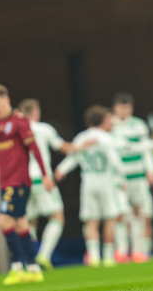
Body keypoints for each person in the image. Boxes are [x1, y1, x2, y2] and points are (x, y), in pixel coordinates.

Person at [0, 84, 51, 284]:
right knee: (20, 224)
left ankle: (17, 265)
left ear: (7, 100)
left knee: (3, 221)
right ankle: (33, 267)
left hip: (18, 181)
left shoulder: (19, 121)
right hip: (5, 183)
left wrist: (45, 175)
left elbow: (34, 147)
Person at [55, 105, 126, 267]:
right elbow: (115, 160)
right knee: (109, 219)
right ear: (103, 120)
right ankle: (108, 257)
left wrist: (61, 169)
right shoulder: (107, 138)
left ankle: (93, 256)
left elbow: (73, 157)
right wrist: (122, 179)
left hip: (88, 182)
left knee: (91, 221)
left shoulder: (81, 137)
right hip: (106, 181)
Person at [17, 99, 77, 271]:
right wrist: (81, 146)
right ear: (35, 112)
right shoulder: (43, 129)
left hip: (22, 181)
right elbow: (63, 147)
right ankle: (43, 255)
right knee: (57, 217)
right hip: (42, 179)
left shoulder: (15, 131)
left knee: (29, 221)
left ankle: (29, 259)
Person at [110, 93, 153, 264]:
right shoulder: (111, 125)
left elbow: (146, 150)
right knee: (121, 215)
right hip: (120, 177)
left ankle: (139, 250)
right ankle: (121, 251)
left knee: (142, 213)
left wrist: (151, 170)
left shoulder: (138, 125)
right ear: (115, 108)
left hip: (138, 176)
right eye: (121, 108)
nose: (125, 111)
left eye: (128, 107)